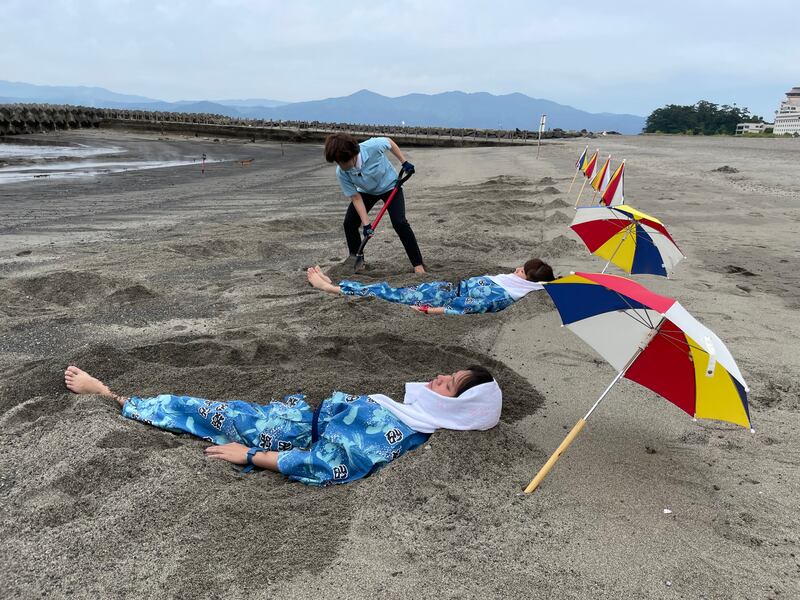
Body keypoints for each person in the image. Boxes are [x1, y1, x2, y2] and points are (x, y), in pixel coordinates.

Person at [63, 364, 501, 486]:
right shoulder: (414, 418)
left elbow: (328, 465)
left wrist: (251, 455)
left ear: (460, 410)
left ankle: (110, 396)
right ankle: (119, 398)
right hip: (296, 417)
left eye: (451, 386)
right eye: (450, 373)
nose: (439, 378)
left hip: (282, 433)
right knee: (216, 409)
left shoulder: (395, 429)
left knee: (201, 411)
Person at [306, 258, 556, 315]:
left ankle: (332, 289)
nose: (516, 270)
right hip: (444, 288)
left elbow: (465, 308)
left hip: (441, 297)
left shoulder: (503, 293)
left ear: (528, 280)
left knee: (387, 292)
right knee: (392, 290)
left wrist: (429, 310)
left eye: (522, 271)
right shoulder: (514, 284)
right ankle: (341, 286)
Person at [324, 133, 425, 273]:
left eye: (343, 161)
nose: (341, 165)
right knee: (349, 223)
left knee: (400, 223)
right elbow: (356, 197)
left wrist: (404, 162)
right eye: (338, 162)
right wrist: (366, 225)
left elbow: (389, 142)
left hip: (390, 187)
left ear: (353, 154)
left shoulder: (372, 146)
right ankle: (358, 261)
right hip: (366, 192)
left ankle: (418, 265)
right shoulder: (342, 172)